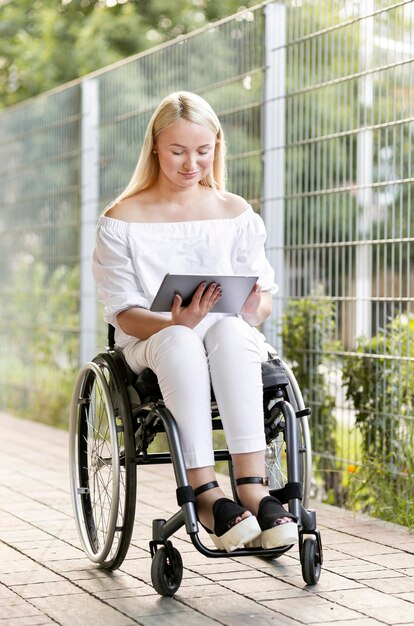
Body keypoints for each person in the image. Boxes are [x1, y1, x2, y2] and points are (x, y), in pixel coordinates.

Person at [92, 91, 298, 552]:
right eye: (178, 152)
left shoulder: (235, 213)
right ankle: (204, 493)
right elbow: (123, 312)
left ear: (217, 147)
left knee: (231, 328)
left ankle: (252, 486)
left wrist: (250, 308)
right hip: (152, 340)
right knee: (181, 340)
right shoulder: (121, 220)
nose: (191, 164)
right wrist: (175, 321)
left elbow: (262, 299)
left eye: (203, 151)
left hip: (226, 338)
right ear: (155, 149)